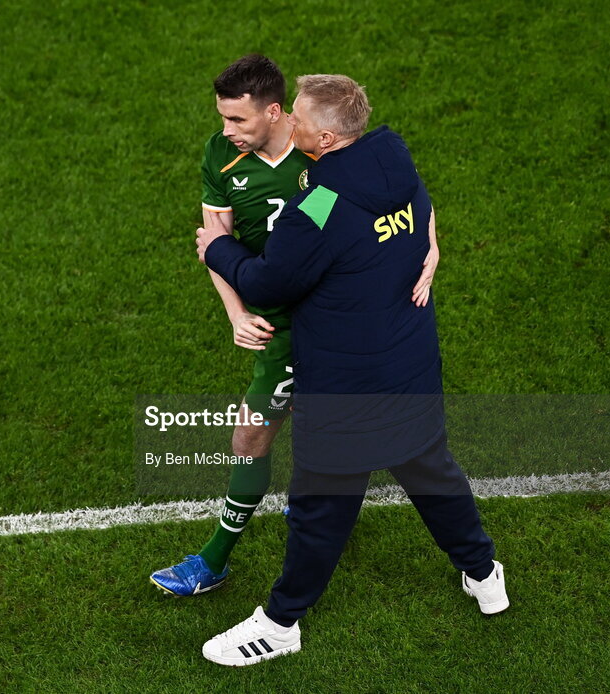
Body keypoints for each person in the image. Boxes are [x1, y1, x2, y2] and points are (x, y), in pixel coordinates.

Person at [195, 74, 507, 666]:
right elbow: (422, 211)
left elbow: (271, 280)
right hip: (409, 366)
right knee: (432, 474)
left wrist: (218, 248)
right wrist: (431, 245)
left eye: (301, 122)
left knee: (320, 505)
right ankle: (484, 573)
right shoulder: (395, 159)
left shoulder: (322, 202)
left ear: (329, 137)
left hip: (347, 383)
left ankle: (281, 623)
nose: (290, 126)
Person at [150, 56, 440, 597]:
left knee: (325, 432)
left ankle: (248, 557)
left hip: (329, 317)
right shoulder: (221, 156)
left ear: (277, 113)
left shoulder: (317, 150)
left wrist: (432, 242)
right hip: (276, 319)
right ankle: (225, 554)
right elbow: (214, 242)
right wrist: (236, 312)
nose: (226, 131)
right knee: (259, 435)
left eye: (238, 120)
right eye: (222, 118)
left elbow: (401, 187)